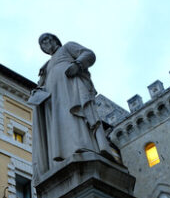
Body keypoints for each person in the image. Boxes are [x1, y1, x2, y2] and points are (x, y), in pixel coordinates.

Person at [29, 33, 112, 180]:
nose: (45, 44)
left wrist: (77, 64)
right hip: (54, 101)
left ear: (55, 40)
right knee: (61, 124)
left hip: (71, 90)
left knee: (75, 117)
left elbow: (89, 54)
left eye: (47, 40)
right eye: (42, 44)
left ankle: (83, 146)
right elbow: (42, 85)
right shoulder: (47, 66)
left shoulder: (68, 47)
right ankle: (65, 154)